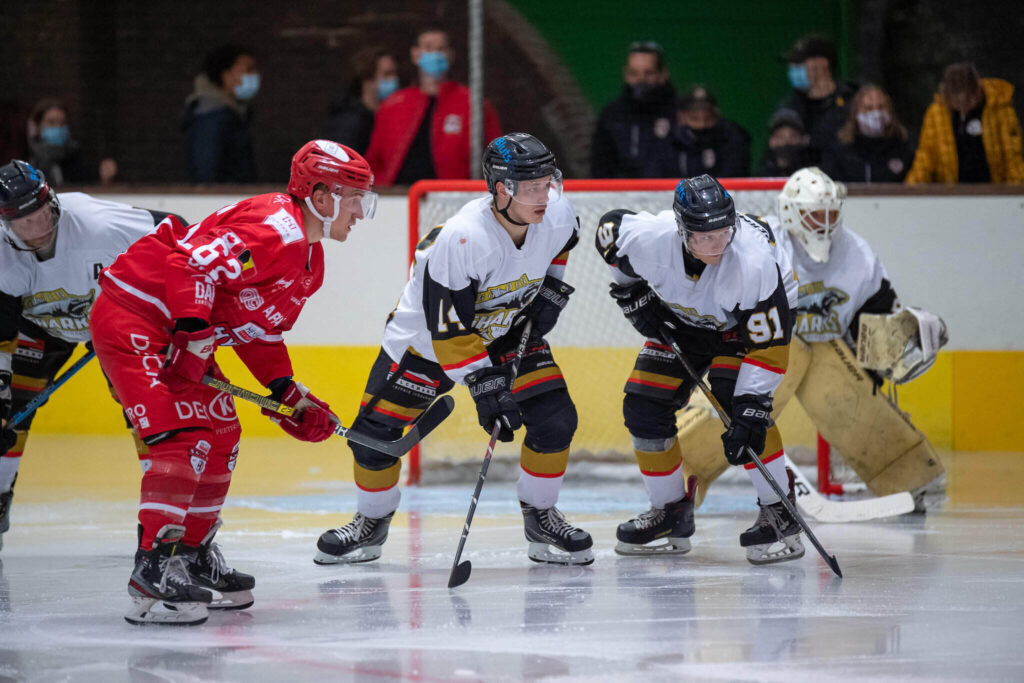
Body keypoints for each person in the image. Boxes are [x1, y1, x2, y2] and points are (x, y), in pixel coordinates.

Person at [89, 139, 377, 625]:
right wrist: (192, 331)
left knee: (223, 432)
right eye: (355, 199)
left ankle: (193, 553)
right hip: (134, 316)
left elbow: (257, 329)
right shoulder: (274, 230)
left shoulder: (310, 261)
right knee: (183, 436)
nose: (361, 213)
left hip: (178, 333)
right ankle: (153, 569)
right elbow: (189, 263)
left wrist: (285, 391)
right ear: (322, 197)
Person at [316, 133, 593, 567]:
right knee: (372, 442)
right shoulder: (463, 240)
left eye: (548, 182)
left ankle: (541, 516)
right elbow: (449, 332)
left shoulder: (555, 211)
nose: (545, 195)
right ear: (502, 189)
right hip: (426, 344)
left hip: (506, 331)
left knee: (556, 419)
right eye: (532, 187)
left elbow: (562, 246)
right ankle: (371, 522)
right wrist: (487, 389)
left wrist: (551, 292)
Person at [670, 167, 947, 509]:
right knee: (747, 394)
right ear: (790, 212)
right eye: (815, 214)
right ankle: (680, 477)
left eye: (830, 213)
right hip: (748, 350)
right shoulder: (759, 238)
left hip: (819, 355)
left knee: (824, 368)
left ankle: (908, 478)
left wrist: (902, 339)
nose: (824, 222)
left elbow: (872, 326)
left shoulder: (856, 254)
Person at [595, 174, 803, 565]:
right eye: (705, 236)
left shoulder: (753, 263)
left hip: (747, 324)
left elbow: (770, 346)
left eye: (724, 232)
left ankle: (779, 508)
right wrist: (631, 293)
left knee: (739, 408)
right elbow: (608, 233)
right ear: (681, 229)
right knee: (642, 406)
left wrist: (753, 406)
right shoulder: (650, 239)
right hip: (687, 322)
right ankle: (670, 511)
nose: (717, 244)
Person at [0, 159, 176, 551]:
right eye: (24, 220)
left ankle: (167, 514)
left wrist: (167, 314)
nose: (39, 226)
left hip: (114, 318)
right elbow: (1, 333)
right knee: (9, 412)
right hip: (40, 326)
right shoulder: (1, 254)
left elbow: (178, 233)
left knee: (147, 410)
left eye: (42, 210)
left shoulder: (99, 224)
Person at [364, 28, 502, 186]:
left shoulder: (473, 103)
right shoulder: (394, 105)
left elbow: (497, 154)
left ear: (450, 55)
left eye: (441, 49)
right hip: (399, 199)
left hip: (454, 197)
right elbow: (375, 159)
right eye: (428, 48)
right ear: (415, 55)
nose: (435, 54)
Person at [905, 62, 1024, 184]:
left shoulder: (1000, 109)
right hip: (953, 192)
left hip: (993, 189)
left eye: (969, 99)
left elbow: (1012, 156)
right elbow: (926, 156)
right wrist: (913, 188)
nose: (963, 106)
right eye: (956, 101)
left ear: (977, 90)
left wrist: (1016, 189)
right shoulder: (936, 113)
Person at [591, 41, 677, 178]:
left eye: (648, 73)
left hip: (670, 194)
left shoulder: (679, 114)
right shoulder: (612, 115)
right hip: (620, 195)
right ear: (626, 74)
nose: (640, 80)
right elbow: (600, 168)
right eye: (634, 73)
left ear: (662, 74)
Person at [182, 44, 260, 183]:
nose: (255, 76)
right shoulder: (211, 119)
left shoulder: (231, 116)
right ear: (226, 75)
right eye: (248, 70)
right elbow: (206, 174)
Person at [774, 35, 856, 162]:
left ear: (823, 63)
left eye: (800, 62)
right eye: (792, 64)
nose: (793, 67)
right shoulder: (789, 108)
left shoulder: (854, 101)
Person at [822, 84, 915, 183]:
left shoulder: (904, 149)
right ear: (855, 113)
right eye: (869, 108)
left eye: (881, 107)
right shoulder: (840, 152)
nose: (876, 114)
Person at [323, 46, 400, 154]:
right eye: (387, 74)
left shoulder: (383, 116)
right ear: (367, 79)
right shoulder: (350, 123)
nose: (393, 80)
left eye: (394, 74)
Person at [26, 99, 117, 186]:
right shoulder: (29, 163)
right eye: (51, 123)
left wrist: (105, 177)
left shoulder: (79, 158)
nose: (57, 128)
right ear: (38, 126)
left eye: (62, 123)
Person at [673, 86, 751, 178]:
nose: (702, 124)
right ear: (682, 117)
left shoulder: (733, 139)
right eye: (695, 118)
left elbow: (736, 176)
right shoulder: (672, 143)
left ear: (717, 114)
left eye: (707, 118)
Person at [756, 109, 817, 176]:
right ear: (771, 141)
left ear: (803, 140)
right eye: (780, 136)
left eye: (793, 136)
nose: (786, 142)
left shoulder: (812, 175)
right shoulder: (761, 175)